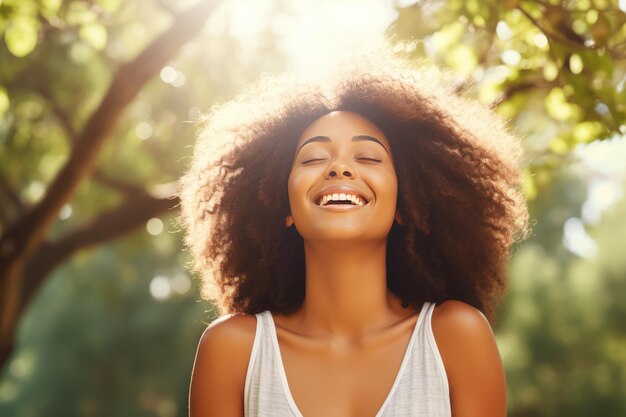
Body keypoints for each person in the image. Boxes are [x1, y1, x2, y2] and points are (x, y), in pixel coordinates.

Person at [177, 44, 529, 417]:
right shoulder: (234, 350)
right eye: (313, 158)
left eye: (368, 157)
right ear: (284, 208)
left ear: (405, 207)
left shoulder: (455, 337)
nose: (339, 168)